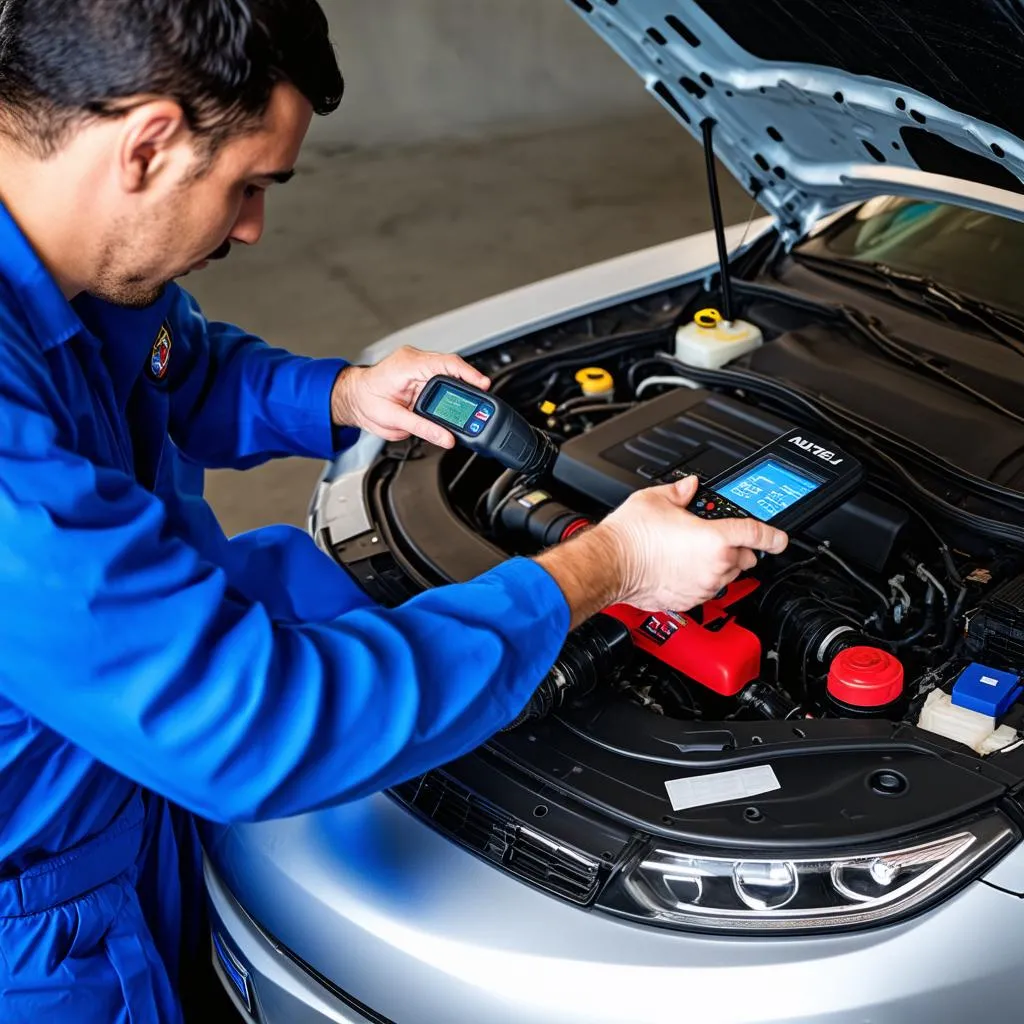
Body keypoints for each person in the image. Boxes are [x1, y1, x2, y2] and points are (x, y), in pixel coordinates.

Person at [0, 2, 788, 1021]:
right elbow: (260, 722)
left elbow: (175, 371)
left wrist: (339, 394)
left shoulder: (76, 261)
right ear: (148, 143)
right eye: (247, 185)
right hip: (45, 926)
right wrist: (605, 569)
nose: (251, 227)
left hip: (129, 786)